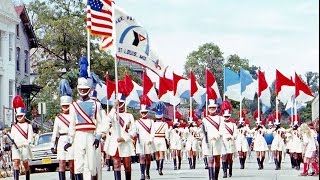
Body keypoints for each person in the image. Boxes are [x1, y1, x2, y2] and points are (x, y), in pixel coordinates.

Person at [64, 57, 107, 180]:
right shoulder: (73, 105)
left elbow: (101, 123)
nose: (83, 91)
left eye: (85, 89)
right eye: (81, 89)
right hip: (78, 136)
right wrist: (69, 140)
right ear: (78, 89)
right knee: (78, 164)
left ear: (89, 90)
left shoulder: (96, 104)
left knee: (92, 165)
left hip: (91, 136)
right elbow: (72, 125)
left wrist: (98, 136)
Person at [106, 95, 135, 180]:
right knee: (116, 164)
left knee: (127, 166)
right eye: (118, 103)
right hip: (115, 142)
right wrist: (114, 107)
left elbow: (133, 130)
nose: (120, 104)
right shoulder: (113, 115)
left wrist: (125, 138)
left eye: (121, 103)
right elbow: (107, 120)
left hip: (125, 142)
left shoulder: (129, 116)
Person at [51, 79, 75, 180]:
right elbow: (55, 132)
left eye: (67, 105)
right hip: (61, 140)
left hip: (72, 139)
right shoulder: (58, 117)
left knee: (72, 163)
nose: (65, 107)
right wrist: (52, 145)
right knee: (61, 163)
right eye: (63, 105)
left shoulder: (74, 116)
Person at [11, 95, 34, 180]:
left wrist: (27, 143)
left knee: (25, 164)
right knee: (16, 163)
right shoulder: (14, 127)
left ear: (24, 116)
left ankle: (28, 177)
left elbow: (30, 138)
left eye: (21, 116)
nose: (19, 117)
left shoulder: (28, 126)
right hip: (16, 147)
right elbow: (12, 138)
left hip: (24, 147)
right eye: (18, 116)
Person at [201, 99, 223, 180]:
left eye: (214, 108)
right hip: (208, 141)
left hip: (217, 141)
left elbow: (222, 130)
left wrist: (216, 136)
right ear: (208, 109)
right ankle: (211, 178)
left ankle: (216, 177)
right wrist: (202, 136)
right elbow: (203, 131)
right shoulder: (205, 119)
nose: (212, 109)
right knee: (210, 160)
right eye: (210, 108)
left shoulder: (220, 118)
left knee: (217, 159)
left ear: (216, 108)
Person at [133, 102, 155, 180]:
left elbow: (153, 132)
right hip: (140, 141)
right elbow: (135, 131)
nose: (143, 114)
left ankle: (147, 173)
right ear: (140, 113)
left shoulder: (151, 121)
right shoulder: (137, 122)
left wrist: (151, 139)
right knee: (141, 157)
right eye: (142, 112)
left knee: (148, 158)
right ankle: (142, 174)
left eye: (145, 112)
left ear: (147, 112)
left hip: (148, 141)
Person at [220, 103, 237, 178]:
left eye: (227, 116)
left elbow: (235, 134)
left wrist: (231, 137)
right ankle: (224, 172)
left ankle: (230, 170)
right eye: (225, 116)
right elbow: (219, 132)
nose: (226, 117)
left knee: (230, 158)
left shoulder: (233, 124)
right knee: (224, 156)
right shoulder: (221, 124)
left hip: (230, 142)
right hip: (223, 142)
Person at [153, 102, 169, 176]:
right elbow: (167, 135)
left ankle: (157, 166)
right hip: (162, 139)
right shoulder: (165, 124)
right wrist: (168, 141)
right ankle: (160, 168)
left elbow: (152, 134)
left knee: (156, 154)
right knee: (162, 154)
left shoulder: (153, 124)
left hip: (155, 139)